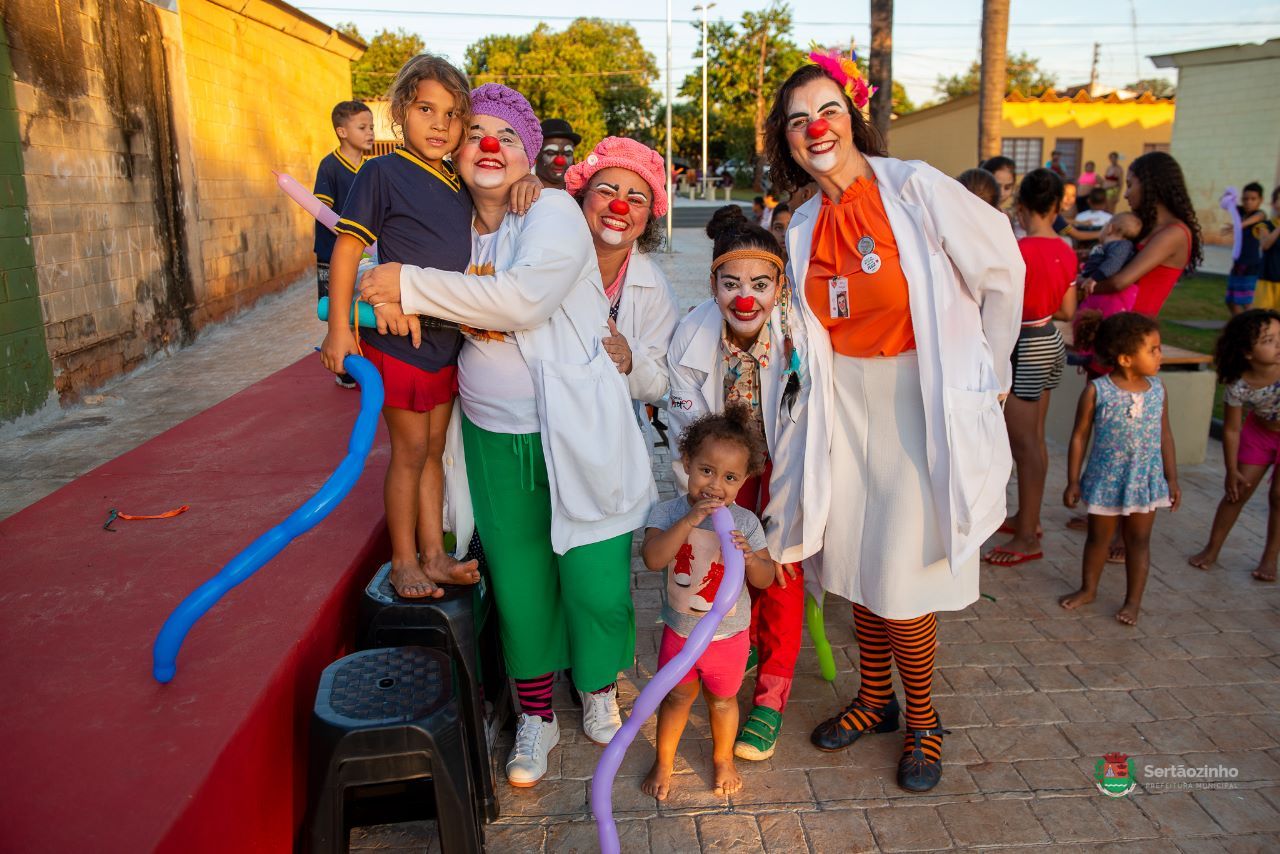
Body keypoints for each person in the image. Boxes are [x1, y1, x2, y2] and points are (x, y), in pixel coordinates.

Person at [357, 83, 655, 787]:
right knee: (520, 583)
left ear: (528, 159)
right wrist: (381, 280)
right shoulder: (449, 218)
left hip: (579, 431)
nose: (491, 146)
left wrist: (410, 285)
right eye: (478, 133)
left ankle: (596, 689)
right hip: (495, 436)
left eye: (509, 138)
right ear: (456, 148)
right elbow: (378, 261)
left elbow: (522, 300)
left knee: (594, 579)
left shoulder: (550, 209)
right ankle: (534, 715)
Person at [765, 52, 1023, 792]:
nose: (816, 127)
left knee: (905, 580)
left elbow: (1001, 271)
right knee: (855, 564)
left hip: (920, 401)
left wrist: (992, 376)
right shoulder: (803, 221)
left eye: (828, 112)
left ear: (854, 120)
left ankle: (924, 720)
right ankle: (874, 701)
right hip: (843, 406)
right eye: (798, 120)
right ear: (787, 140)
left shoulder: (914, 189)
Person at [666, 206, 823, 762]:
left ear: (780, 285)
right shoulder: (692, 333)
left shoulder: (801, 338)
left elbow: (808, 432)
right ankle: (740, 644)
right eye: (731, 284)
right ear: (712, 285)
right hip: (722, 476)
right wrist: (705, 489)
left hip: (786, 469)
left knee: (778, 572)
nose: (744, 298)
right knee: (718, 563)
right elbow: (684, 428)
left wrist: (781, 513)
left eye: (760, 283)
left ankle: (773, 697)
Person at [322, 55, 482, 600]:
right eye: (425, 109)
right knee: (408, 453)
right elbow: (347, 248)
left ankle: (435, 553)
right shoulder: (381, 173)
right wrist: (340, 328)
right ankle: (403, 559)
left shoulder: (460, 182)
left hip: (444, 343)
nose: (440, 125)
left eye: (453, 114)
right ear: (399, 113)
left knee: (435, 450)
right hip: (400, 344)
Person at [639, 406, 775, 800]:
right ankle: (664, 761)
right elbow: (653, 558)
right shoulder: (668, 512)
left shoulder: (746, 522)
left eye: (729, 477)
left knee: (723, 701)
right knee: (677, 697)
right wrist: (687, 522)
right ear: (686, 463)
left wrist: (752, 557)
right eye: (706, 471)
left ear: (744, 480)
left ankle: (722, 758)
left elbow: (764, 579)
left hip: (728, 638)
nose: (715, 485)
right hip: (681, 633)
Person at [1061, 312, 1180, 625]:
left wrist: (1172, 478)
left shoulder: (1158, 390)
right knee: (1098, 539)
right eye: (1152, 349)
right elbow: (1079, 437)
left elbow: (1165, 435)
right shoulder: (1097, 391)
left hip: (1145, 481)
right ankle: (1088, 589)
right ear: (1127, 358)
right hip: (1106, 479)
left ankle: (1133, 602)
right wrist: (1073, 480)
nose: (1160, 355)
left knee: (1138, 542)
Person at [985, 170, 1078, 566]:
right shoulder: (1067, 249)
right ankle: (1029, 518)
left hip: (1023, 342)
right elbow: (1068, 310)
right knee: (1035, 440)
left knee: (1023, 445)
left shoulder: (1016, 250)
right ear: (1057, 206)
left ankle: (1027, 536)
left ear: (1020, 208)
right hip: (1050, 338)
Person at [564, 137, 679, 413]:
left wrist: (631, 361)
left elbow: (662, 383)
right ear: (582, 197)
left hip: (614, 431)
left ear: (648, 217)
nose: (619, 207)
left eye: (635, 200)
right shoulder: (547, 258)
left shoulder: (656, 290)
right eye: (606, 192)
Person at [1188, 309, 1280, 581]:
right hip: (1259, 433)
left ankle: (1270, 558)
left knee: (1279, 496)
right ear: (1247, 353)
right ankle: (1212, 548)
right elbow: (1230, 430)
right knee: (1237, 491)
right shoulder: (1238, 385)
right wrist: (1231, 469)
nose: (1278, 345)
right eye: (1268, 340)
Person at [1083, 151, 1202, 318]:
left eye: (1130, 185)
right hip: (1114, 320)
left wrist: (1076, 285)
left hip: (1133, 331)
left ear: (1150, 185)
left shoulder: (1174, 233)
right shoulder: (1147, 226)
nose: (1125, 194)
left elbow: (1119, 282)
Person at [313, 100, 374, 388]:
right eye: (362, 127)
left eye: (371, 127)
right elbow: (322, 212)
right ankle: (343, 367)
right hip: (333, 253)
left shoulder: (371, 169)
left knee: (362, 308)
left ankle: (362, 356)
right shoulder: (330, 167)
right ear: (342, 131)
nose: (370, 133)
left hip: (366, 254)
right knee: (339, 307)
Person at [1077, 212, 1142, 316]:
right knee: (1083, 318)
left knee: (1107, 322)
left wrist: (1094, 278)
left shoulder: (1122, 245)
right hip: (1095, 293)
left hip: (1111, 297)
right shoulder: (1109, 246)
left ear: (1110, 228)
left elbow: (1113, 264)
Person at [1226, 182, 1268, 316]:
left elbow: (1258, 217)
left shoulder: (1260, 215)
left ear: (1260, 200)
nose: (1248, 202)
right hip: (1238, 263)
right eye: (1245, 199)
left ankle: (1251, 327)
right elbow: (1224, 202)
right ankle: (1240, 326)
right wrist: (1230, 195)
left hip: (1251, 264)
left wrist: (1239, 225)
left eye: (1253, 199)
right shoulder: (1240, 212)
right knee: (1231, 300)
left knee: (1246, 301)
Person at [1252, 188, 1280, 311]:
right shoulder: (1265, 225)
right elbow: (1265, 245)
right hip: (1267, 279)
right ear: (1274, 204)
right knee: (1263, 318)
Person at [534, 118, 580, 189]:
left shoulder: (582, 195)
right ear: (536, 155)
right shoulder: (522, 192)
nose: (560, 161)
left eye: (567, 154)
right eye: (551, 153)